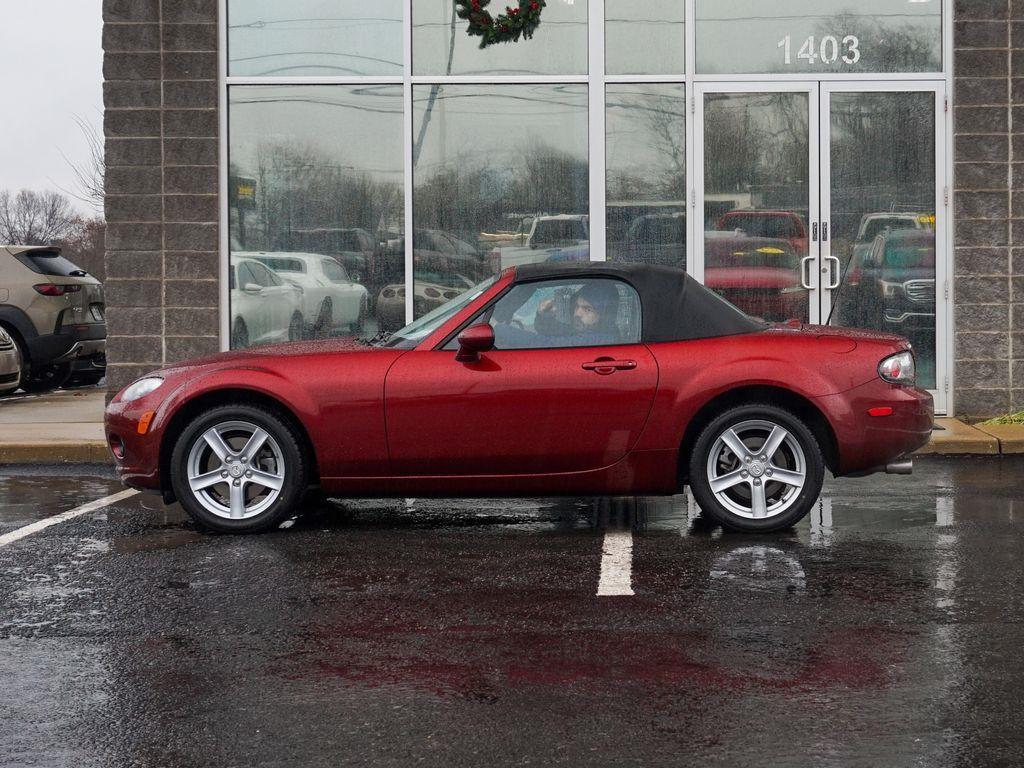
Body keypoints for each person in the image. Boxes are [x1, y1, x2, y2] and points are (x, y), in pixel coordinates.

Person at [533, 280, 621, 345]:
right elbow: (560, 329)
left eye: (588, 309)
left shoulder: (602, 338)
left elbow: (544, 343)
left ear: (604, 315)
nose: (577, 313)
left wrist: (519, 336)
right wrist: (543, 317)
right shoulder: (586, 329)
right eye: (576, 306)